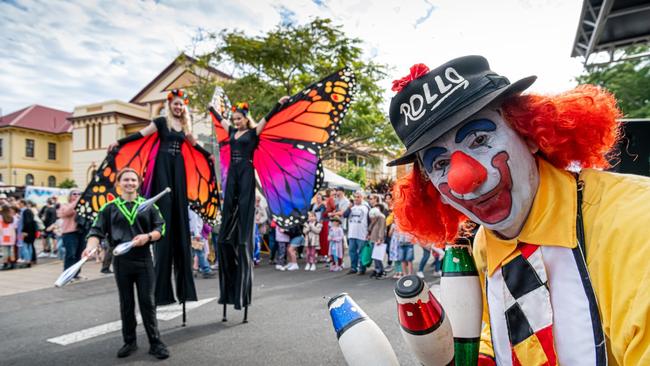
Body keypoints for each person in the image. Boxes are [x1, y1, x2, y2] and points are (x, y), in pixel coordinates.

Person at [388, 56, 650, 364]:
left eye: (480, 139)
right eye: (441, 164)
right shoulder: (485, 243)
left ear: (529, 134)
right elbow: (495, 323)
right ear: (435, 192)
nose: (466, 179)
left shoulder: (635, 221)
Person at [107, 89, 209, 306]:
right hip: (163, 166)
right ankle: (162, 293)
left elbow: (193, 145)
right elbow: (142, 135)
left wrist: (208, 156)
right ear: (170, 105)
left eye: (182, 105)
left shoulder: (186, 127)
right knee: (165, 213)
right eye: (176, 104)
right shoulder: (162, 122)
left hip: (178, 167)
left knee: (179, 217)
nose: (179, 107)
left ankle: (185, 291)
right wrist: (120, 142)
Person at [209, 97, 288, 311]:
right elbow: (219, 119)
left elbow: (268, 118)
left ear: (245, 118)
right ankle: (228, 226)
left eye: (238, 118)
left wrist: (279, 104)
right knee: (229, 201)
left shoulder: (253, 133)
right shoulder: (232, 133)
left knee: (244, 201)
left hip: (246, 170)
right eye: (233, 119)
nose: (235, 122)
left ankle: (244, 230)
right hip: (233, 171)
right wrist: (212, 110)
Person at [82, 168, 169, 360]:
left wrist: (147, 237)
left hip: (144, 260)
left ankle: (155, 343)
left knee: (148, 303)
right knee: (126, 303)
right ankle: (129, 342)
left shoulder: (149, 206)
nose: (129, 183)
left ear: (138, 183)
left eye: (133, 180)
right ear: (118, 183)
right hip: (121, 262)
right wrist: (90, 248)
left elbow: (160, 228)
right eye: (125, 180)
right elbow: (95, 232)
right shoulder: (109, 208)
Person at [58, 190, 83, 272]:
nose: (77, 195)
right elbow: (66, 212)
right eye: (74, 194)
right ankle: (67, 273)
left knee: (79, 255)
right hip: (69, 232)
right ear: (70, 196)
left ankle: (76, 273)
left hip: (80, 232)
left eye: (79, 194)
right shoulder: (64, 205)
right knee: (71, 254)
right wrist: (76, 201)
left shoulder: (82, 205)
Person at [345, 191, 369, 275]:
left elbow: (369, 221)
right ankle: (353, 267)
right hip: (352, 233)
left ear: (362, 198)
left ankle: (362, 268)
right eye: (355, 197)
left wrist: (368, 232)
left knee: (362, 252)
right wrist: (349, 207)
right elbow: (345, 215)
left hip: (362, 233)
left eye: (358, 197)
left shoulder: (366, 207)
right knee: (352, 251)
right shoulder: (352, 208)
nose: (356, 198)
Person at [189, 207, 215, 279]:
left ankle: (197, 270)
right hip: (195, 233)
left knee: (196, 253)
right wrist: (197, 233)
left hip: (195, 233)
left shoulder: (193, 208)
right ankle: (206, 270)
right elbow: (194, 221)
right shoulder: (193, 208)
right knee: (200, 253)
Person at [368, 195, 387, 279]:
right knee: (374, 256)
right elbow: (370, 227)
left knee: (377, 256)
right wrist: (368, 234)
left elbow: (382, 229)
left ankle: (381, 271)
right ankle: (377, 269)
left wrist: (380, 239)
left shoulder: (382, 217)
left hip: (378, 239)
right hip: (373, 238)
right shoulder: (375, 217)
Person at [17, 199, 37, 266]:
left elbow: (26, 222)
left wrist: (24, 232)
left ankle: (27, 261)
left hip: (26, 232)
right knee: (29, 246)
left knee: (25, 246)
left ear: (22, 203)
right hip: (30, 232)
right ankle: (29, 260)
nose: (18, 205)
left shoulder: (25, 211)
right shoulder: (28, 211)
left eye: (19, 203)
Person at [0, 204, 17, 270]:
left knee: (5, 251)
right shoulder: (13, 217)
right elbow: (15, 227)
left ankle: (5, 264)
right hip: (12, 235)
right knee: (11, 250)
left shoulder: (1, 217)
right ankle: (12, 264)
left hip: (3, 235)